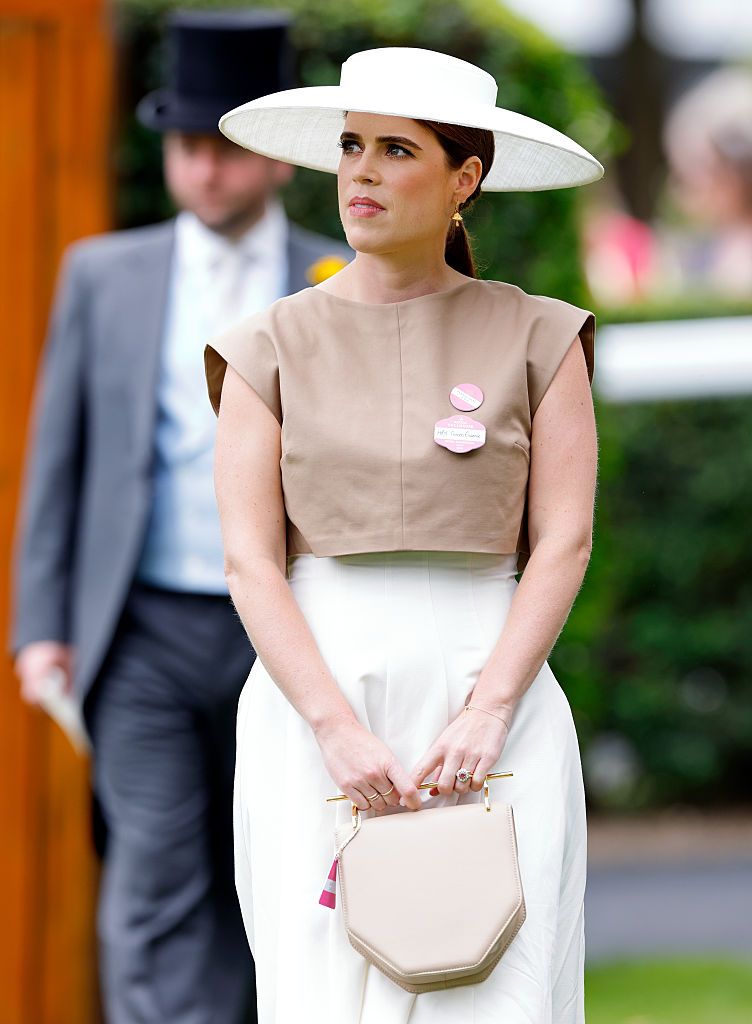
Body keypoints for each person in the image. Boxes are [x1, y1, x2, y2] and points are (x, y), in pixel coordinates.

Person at [205, 46, 602, 1023]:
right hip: (315, 705)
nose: (362, 172)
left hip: (494, 702)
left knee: (495, 982)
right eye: (351, 146)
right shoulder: (265, 347)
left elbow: (562, 541)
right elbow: (251, 562)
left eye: (396, 150)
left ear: (464, 179)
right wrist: (333, 729)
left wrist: (489, 710)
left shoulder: (541, 338)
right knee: (322, 989)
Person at [10, 10, 349, 1024]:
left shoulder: (339, 281)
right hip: (141, 630)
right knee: (155, 873)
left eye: (225, 147)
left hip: (287, 633)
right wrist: (40, 626)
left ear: (277, 159)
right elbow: (59, 457)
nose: (203, 168)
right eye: (186, 145)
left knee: (276, 867)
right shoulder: (103, 274)